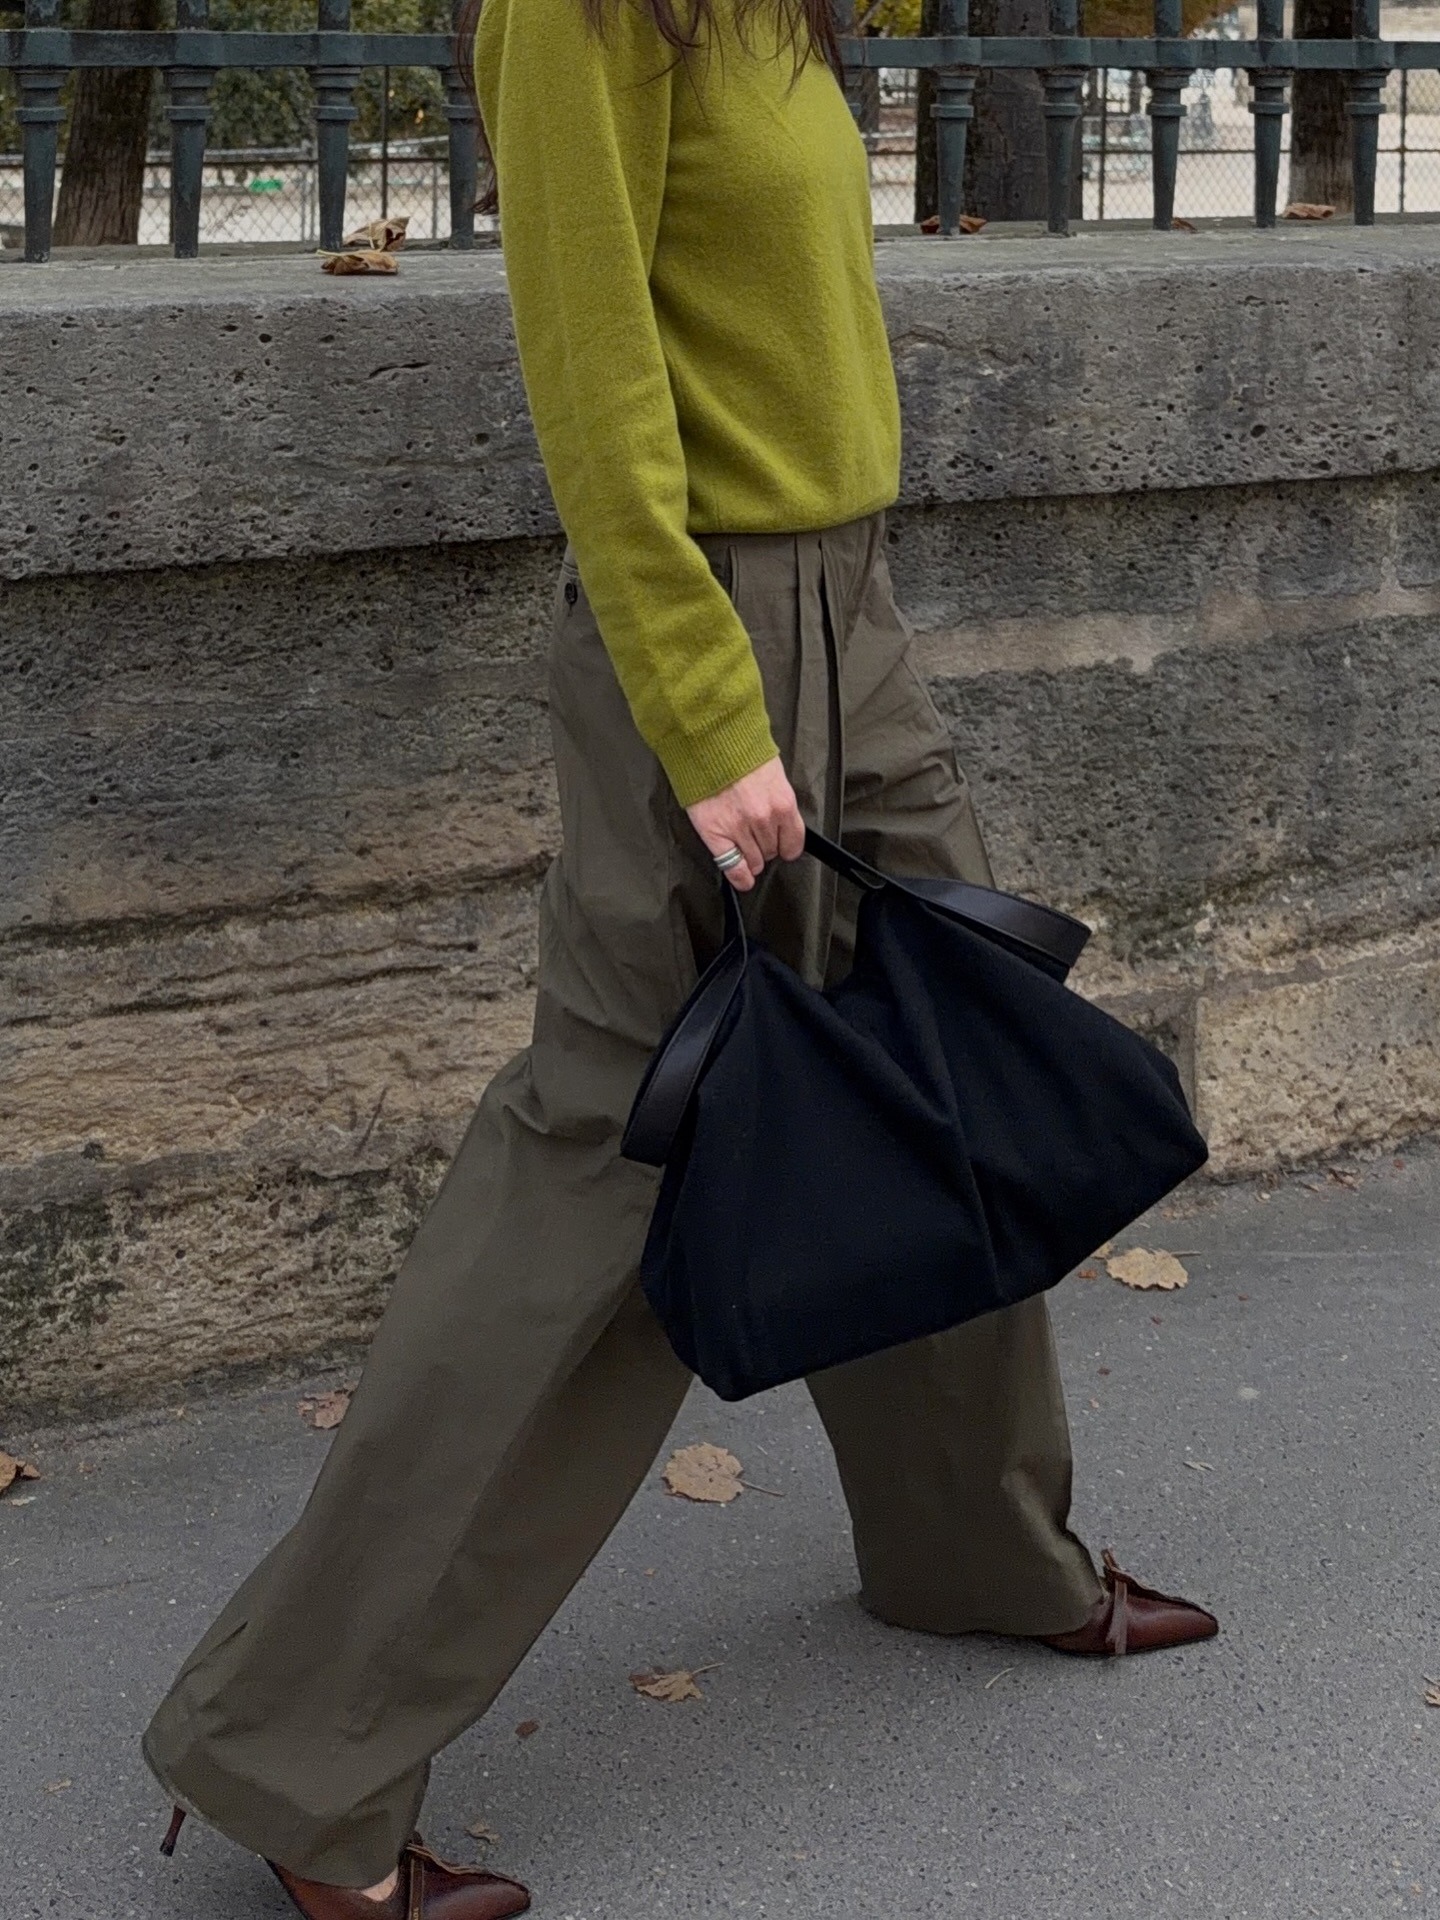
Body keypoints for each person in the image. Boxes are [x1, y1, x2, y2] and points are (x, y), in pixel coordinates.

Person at [143, 2, 1218, 1914]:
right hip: (707, 630)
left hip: (842, 604)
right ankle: (299, 1751)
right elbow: (594, 369)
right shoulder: (578, 11)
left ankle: (979, 1549)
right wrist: (712, 712)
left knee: (936, 1068)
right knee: (612, 1158)